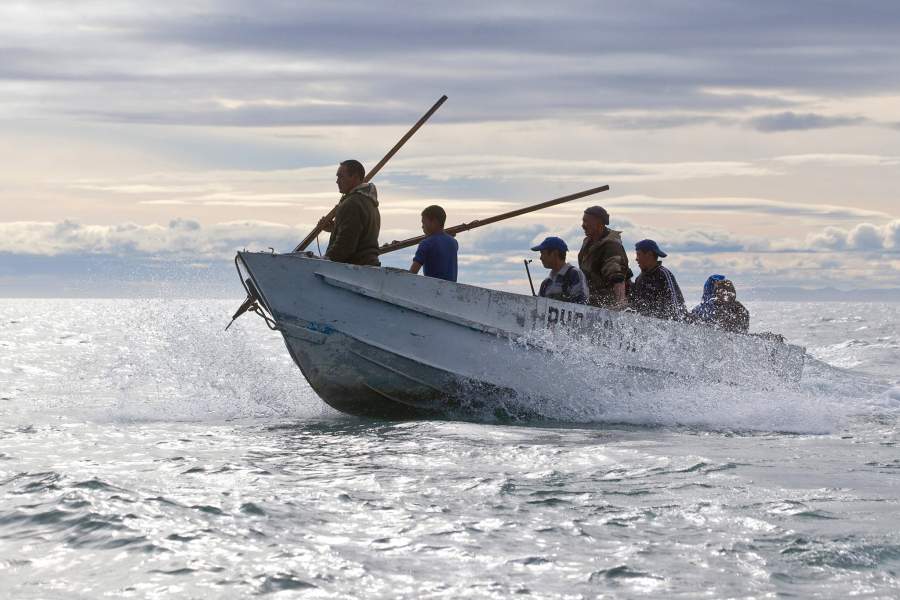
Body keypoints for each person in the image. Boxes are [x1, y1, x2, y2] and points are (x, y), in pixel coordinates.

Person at [319, 159, 381, 266]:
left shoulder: (352, 204)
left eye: (341, 176)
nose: (337, 181)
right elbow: (358, 233)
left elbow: (345, 245)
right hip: (369, 267)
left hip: (355, 268)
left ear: (355, 177)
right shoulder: (370, 202)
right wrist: (335, 229)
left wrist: (324, 262)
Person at [577, 206, 631, 309]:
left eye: (586, 221)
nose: (583, 225)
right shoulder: (587, 242)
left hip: (605, 305)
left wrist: (620, 304)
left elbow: (617, 277)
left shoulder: (611, 246)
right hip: (588, 302)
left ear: (599, 224)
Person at [629, 239, 687, 321]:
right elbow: (635, 302)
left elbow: (676, 302)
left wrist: (680, 323)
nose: (636, 259)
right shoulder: (640, 279)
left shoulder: (664, 274)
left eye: (639, 255)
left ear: (649, 255)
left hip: (669, 323)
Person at [530, 236, 588, 304]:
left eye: (542, 253)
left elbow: (582, 303)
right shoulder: (546, 283)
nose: (541, 258)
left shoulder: (574, 274)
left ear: (554, 253)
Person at [410, 205, 458, 281]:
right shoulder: (454, 242)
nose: (422, 226)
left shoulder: (426, 243)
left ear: (434, 222)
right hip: (451, 291)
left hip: (432, 290)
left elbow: (412, 273)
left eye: (424, 222)